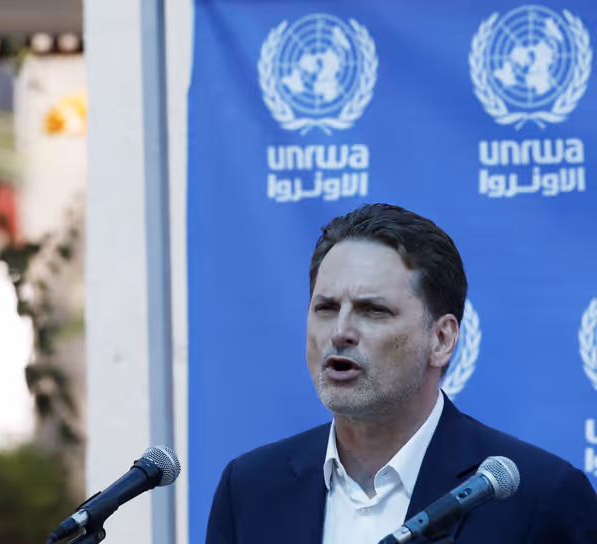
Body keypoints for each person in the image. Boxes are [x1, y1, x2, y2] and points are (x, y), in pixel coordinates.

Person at [205, 203, 597, 544]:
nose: (340, 332)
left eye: (373, 310)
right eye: (326, 308)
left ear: (441, 339)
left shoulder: (538, 499)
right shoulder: (250, 489)